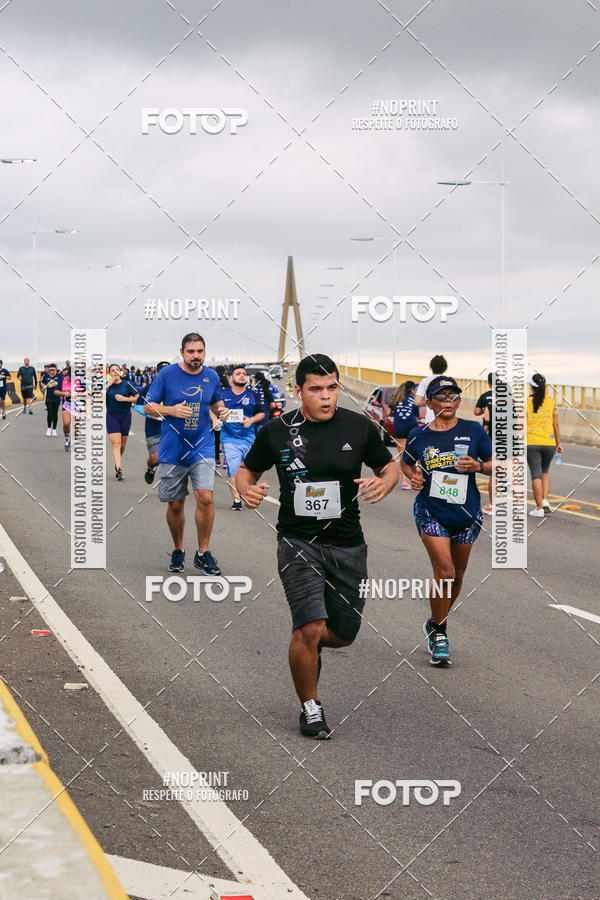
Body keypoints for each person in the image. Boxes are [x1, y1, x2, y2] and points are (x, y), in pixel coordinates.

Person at [236, 354, 398, 739]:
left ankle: (308, 646)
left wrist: (385, 482)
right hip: (298, 541)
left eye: (332, 388)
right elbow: (246, 470)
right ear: (298, 391)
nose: (326, 396)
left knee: (343, 632)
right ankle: (310, 705)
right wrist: (245, 489)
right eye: (316, 389)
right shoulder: (277, 431)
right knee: (308, 627)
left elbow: (389, 466)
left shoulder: (358, 426)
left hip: (347, 544)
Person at [401, 376, 492, 667]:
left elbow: (497, 464)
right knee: (445, 570)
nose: (448, 402)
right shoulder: (418, 435)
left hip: (466, 513)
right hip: (431, 511)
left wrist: (479, 465)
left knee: (458, 576)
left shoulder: (473, 430)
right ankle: (440, 634)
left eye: (453, 397)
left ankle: (434, 621)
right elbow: (405, 462)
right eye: (441, 397)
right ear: (429, 403)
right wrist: (412, 477)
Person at [145, 333, 229, 575]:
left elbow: (216, 402)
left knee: (206, 497)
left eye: (200, 351)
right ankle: (178, 549)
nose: (196, 356)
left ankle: (203, 553)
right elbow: (148, 407)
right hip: (173, 449)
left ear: (205, 352)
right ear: (182, 352)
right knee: (176, 503)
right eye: (191, 352)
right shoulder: (167, 374)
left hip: (202, 446)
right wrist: (170, 410)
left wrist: (222, 410)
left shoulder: (211, 376)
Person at [220, 365, 266, 510]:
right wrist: (218, 417)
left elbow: (262, 413)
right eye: (238, 373)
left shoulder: (253, 394)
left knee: (248, 469)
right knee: (233, 468)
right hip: (229, 438)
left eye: (244, 374)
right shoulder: (223, 394)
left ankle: (247, 492)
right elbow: (212, 409)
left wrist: (251, 420)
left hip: (248, 437)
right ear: (231, 377)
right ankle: (236, 500)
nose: (242, 375)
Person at [526, 373, 562, 517]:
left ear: (532, 387)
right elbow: (556, 425)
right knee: (545, 471)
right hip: (549, 443)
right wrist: (558, 443)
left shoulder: (526, 402)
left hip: (532, 443)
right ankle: (545, 500)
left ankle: (539, 508)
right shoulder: (551, 402)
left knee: (536, 474)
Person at [135, 361, 170, 484]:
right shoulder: (149, 388)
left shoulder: (178, 388)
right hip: (153, 428)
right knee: (155, 458)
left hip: (171, 428)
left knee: (171, 459)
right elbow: (137, 406)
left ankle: (169, 485)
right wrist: (151, 414)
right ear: (157, 373)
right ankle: (151, 467)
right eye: (162, 372)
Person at [105, 364, 139, 480]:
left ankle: (117, 460)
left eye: (117, 370)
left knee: (122, 445)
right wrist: (107, 385)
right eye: (112, 370)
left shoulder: (127, 384)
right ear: (109, 373)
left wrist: (125, 399)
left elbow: (138, 398)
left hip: (125, 416)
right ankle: (119, 468)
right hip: (112, 416)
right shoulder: (106, 385)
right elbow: (97, 398)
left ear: (121, 372)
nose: (115, 372)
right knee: (116, 443)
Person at [387, 380, 418, 489]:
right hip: (411, 427)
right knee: (416, 453)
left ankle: (404, 482)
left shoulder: (395, 399)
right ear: (411, 390)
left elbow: (387, 413)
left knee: (402, 456)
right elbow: (416, 415)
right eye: (415, 388)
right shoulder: (413, 400)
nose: (415, 390)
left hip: (399, 429)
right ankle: (417, 479)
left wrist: (395, 413)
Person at [474, 373, 494, 515]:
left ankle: (493, 505)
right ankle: (518, 507)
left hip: (492, 436)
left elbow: (476, 412)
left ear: (488, 383)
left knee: (494, 471)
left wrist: (483, 409)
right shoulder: (509, 396)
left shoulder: (485, 396)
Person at [414, 355, 448, 425]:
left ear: (431, 367)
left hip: (430, 421)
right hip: (446, 421)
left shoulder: (425, 381)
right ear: (445, 367)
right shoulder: (448, 381)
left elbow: (417, 402)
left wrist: (428, 403)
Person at [214, 365, 230, 467]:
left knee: (216, 439)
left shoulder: (214, 386)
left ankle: (216, 459)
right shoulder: (227, 386)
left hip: (216, 415)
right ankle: (226, 460)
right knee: (226, 439)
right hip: (227, 415)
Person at [42, 363, 61, 436]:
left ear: (56, 370)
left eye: (54, 370)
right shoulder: (46, 376)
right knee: (50, 413)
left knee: (55, 414)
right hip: (49, 398)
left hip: (57, 398)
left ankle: (54, 429)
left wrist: (57, 384)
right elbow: (42, 382)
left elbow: (61, 384)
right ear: (49, 370)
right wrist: (44, 386)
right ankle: (49, 428)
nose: (52, 371)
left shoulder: (59, 376)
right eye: (51, 370)